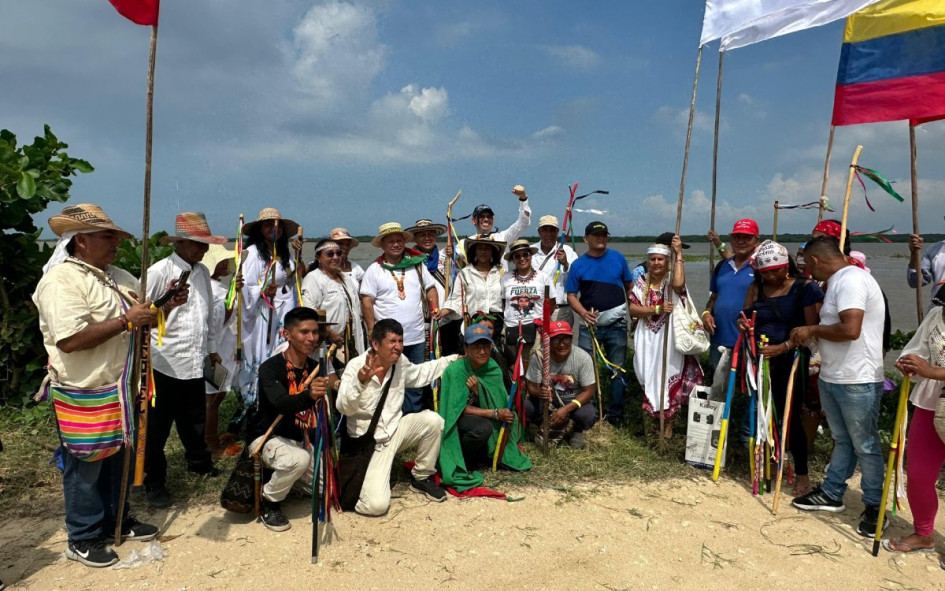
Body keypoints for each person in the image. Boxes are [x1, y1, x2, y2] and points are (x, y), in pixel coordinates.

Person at [33, 204, 159, 568]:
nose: (116, 243)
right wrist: (126, 321)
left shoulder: (119, 276)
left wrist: (160, 308)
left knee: (118, 457)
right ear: (82, 241)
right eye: (108, 237)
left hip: (120, 386)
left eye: (116, 237)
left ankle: (116, 518)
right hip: (83, 388)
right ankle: (83, 536)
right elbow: (70, 339)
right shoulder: (61, 281)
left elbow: (142, 317)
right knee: (86, 463)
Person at [789, 236, 887, 538]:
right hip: (834, 375)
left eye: (808, 265)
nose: (808, 271)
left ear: (815, 260)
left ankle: (875, 505)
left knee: (865, 445)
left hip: (858, 379)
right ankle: (832, 492)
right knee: (842, 439)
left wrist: (812, 329)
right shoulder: (836, 282)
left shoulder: (851, 280)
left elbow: (850, 329)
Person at [143, 213, 226, 508]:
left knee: (194, 418)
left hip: (194, 357)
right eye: (197, 244)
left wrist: (212, 348)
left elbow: (208, 314)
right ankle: (154, 481)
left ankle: (199, 463)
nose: (203, 250)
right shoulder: (158, 272)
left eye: (205, 245)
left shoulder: (202, 272)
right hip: (163, 359)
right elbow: (142, 313)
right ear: (179, 243)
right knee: (157, 426)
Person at [336, 319, 458, 515]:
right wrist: (360, 381)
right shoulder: (356, 366)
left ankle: (421, 477)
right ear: (375, 344)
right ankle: (368, 485)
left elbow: (420, 374)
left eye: (400, 341)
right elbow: (344, 408)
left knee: (433, 421)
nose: (398, 347)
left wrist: (453, 359)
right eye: (392, 341)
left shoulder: (399, 363)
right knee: (376, 506)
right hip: (368, 444)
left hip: (393, 432)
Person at [738, 240, 823, 496]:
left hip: (792, 360)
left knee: (790, 416)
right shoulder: (756, 287)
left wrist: (783, 347)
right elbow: (744, 315)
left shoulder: (805, 288)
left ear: (786, 267)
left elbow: (810, 331)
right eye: (764, 273)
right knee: (765, 413)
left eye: (774, 271)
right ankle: (772, 463)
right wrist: (742, 324)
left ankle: (802, 473)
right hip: (761, 360)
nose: (770, 277)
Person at [247, 307, 339, 532]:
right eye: (304, 332)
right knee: (298, 460)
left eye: (315, 332)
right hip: (268, 437)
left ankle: (288, 480)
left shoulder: (315, 367)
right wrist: (309, 396)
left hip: (301, 440)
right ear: (287, 335)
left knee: (326, 489)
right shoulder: (270, 368)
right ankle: (269, 500)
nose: (311, 338)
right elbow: (282, 403)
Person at [437, 324, 531, 489]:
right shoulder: (454, 371)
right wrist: (494, 413)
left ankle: (488, 454)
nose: (482, 351)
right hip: (459, 423)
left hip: (483, 416)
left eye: (486, 346)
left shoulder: (493, 368)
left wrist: (479, 392)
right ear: (466, 348)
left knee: (508, 418)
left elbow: (499, 400)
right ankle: (467, 461)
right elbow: (455, 410)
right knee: (482, 428)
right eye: (476, 346)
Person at [888, 284, 945, 556]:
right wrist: (908, 362)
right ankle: (924, 534)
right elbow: (917, 349)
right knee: (919, 475)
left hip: (935, 385)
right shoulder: (936, 314)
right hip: (931, 402)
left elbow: (930, 368)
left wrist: (932, 371)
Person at [360, 223, 440, 414]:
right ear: (382, 245)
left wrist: (435, 308)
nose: (395, 244)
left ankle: (412, 420)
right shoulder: (374, 269)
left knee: (415, 383)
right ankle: (389, 420)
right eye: (391, 241)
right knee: (387, 381)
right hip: (388, 341)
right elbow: (366, 301)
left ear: (404, 242)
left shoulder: (417, 265)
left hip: (416, 337)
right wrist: (371, 329)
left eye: (399, 240)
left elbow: (431, 288)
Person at [627, 239, 703, 436]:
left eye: (660, 259)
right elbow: (633, 309)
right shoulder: (641, 282)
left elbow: (679, 284)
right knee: (647, 376)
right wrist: (656, 309)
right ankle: (651, 428)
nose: (656, 263)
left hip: (669, 337)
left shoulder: (671, 280)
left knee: (669, 377)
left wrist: (679, 254)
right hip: (646, 337)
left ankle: (667, 430)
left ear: (667, 261)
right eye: (652, 259)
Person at [565, 221, 633, 425]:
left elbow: (630, 287)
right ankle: (592, 412)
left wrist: (635, 313)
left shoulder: (618, 258)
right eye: (596, 235)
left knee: (617, 370)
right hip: (589, 327)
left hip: (617, 325)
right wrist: (583, 313)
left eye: (604, 234)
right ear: (586, 239)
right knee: (586, 370)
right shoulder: (578, 265)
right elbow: (571, 296)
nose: (601, 238)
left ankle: (616, 414)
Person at [238, 208, 301, 413]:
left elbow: (293, 280)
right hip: (263, 314)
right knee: (265, 354)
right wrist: (263, 290)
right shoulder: (253, 254)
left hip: (284, 312)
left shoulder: (283, 254)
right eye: (268, 225)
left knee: (283, 352)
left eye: (278, 225)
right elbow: (245, 286)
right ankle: (259, 403)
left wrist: (298, 257)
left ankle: (283, 397)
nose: (274, 229)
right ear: (259, 229)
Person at [524, 320, 598, 449]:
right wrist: (540, 393)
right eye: (556, 340)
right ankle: (544, 425)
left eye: (565, 339)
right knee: (527, 407)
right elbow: (531, 387)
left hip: (573, 403)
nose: (561, 344)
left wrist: (566, 409)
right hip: (548, 403)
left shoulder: (583, 358)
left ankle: (577, 430)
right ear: (548, 341)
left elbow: (589, 391)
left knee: (588, 414)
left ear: (571, 338)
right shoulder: (540, 357)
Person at [200, 244, 242, 459]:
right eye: (221, 260)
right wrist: (232, 296)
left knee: (216, 395)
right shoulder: (215, 291)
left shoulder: (213, 287)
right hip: (215, 352)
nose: (226, 263)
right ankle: (210, 443)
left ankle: (209, 439)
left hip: (221, 350)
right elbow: (218, 324)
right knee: (212, 398)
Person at [702, 219, 759, 372]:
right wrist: (706, 313)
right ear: (731, 240)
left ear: (756, 241)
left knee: (747, 385)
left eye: (747, 237)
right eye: (737, 237)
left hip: (749, 343)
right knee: (718, 384)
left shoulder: (761, 268)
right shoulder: (722, 266)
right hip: (719, 342)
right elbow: (714, 297)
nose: (741, 241)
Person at [302, 238, 366, 365]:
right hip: (328, 342)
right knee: (327, 374)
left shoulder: (346, 278)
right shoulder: (313, 278)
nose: (335, 257)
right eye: (330, 254)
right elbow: (309, 311)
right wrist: (329, 332)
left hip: (351, 340)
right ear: (318, 258)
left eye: (338, 253)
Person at [407, 219, 463, 355]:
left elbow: (461, 280)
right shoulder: (408, 260)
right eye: (422, 235)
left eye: (430, 234)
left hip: (447, 317)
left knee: (450, 358)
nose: (427, 238)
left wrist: (456, 256)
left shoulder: (447, 256)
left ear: (436, 236)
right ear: (415, 238)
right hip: (421, 321)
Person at [439, 236, 506, 337]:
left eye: (487, 248)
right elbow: (456, 299)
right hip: (473, 322)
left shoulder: (502, 273)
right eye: (480, 248)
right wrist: (440, 313)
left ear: (493, 252)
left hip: (497, 324)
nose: (483, 251)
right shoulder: (465, 273)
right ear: (474, 251)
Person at [501, 239, 554, 364]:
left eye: (525, 254)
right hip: (511, 328)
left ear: (531, 256)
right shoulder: (505, 278)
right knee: (512, 366)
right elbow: (503, 303)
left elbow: (551, 304)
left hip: (536, 331)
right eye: (517, 256)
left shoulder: (543, 277)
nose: (522, 258)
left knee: (535, 367)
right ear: (513, 259)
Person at [452, 184, 531, 264]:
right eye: (482, 216)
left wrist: (523, 198)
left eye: (489, 216)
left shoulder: (503, 238)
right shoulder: (464, 243)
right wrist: (450, 254)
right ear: (473, 221)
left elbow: (523, 223)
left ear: (493, 220)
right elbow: (458, 265)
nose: (486, 219)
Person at [531, 215, 578, 325]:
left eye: (552, 230)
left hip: (561, 310)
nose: (548, 234)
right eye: (545, 230)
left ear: (557, 232)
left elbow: (576, 279)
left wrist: (566, 264)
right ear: (539, 232)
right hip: (536, 309)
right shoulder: (530, 251)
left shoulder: (567, 251)